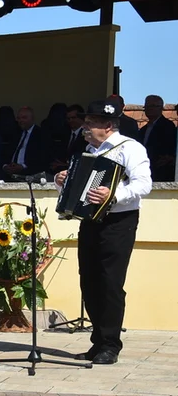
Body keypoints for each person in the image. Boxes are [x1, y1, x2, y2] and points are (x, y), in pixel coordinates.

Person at [55, 97, 151, 365]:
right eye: (85, 123)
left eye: (91, 123)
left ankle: (110, 344)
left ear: (108, 125)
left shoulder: (130, 149)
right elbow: (76, 187)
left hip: (119, 221)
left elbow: (144, 185)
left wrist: (113, 195)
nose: (85, 128)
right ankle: (97, 342)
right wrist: (59, 180)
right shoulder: (88, 151)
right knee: (89, 280)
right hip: (90, 221)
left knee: (110, 282)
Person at [139, 95, 176, 181]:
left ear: (161, 108)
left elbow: (169, 147)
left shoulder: (167, 126)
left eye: (153, 106)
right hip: (145, 169)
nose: (150, 109)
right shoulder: (143, 130)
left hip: (161, 170)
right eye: (147, 106)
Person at [58, 104, 88, 173]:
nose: (70, 120)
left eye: (73, 118)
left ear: (81, 118)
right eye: (68, 118)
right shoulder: (65, 132)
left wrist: (66, 165)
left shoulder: (87, 134)